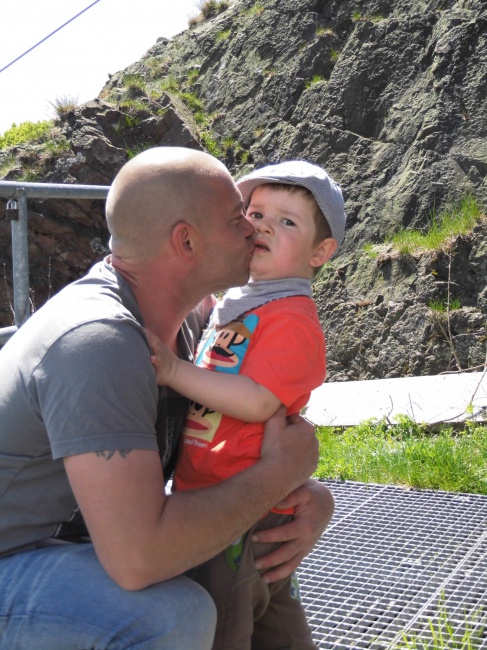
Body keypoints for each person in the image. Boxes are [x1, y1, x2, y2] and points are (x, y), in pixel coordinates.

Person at [0, 147, 334, 650]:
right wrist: (278, 476)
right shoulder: (100, 343)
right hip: (12, 558)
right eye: (238, 217)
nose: (253, 230)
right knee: (174, 617)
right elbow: (139, 559)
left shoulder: (190, 324)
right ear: (187, 242)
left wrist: (310, 498)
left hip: (67, 547)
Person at [147, 160, 345, 649]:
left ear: (320, 252)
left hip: (241, 504)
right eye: (255, 214)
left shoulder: (290, 316)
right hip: (226, 494)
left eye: (287, 221)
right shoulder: (242, 301)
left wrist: (173, 371)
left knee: (225, 625)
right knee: (276, 622)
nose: (264, 227)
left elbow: (258, 401)